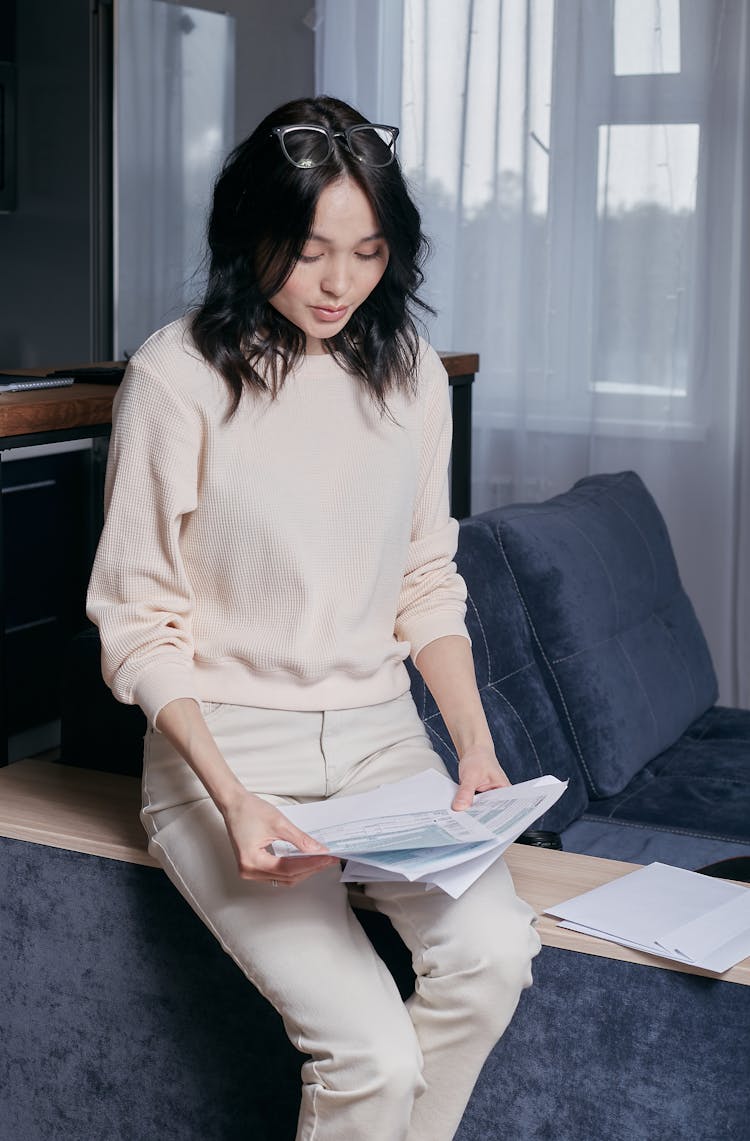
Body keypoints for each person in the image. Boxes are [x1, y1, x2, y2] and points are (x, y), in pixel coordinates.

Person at [87, 95, 540, 1141]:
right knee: (371, 1059)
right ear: (254, 235)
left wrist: (472, 744)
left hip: (384, 746)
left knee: (495, 952)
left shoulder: (412, 376)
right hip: (229, 755)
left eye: (369, 251)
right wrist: (234, 796)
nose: (340, 283)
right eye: (309, 251)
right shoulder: (176, 377)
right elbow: (135, 618)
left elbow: (428, 578)